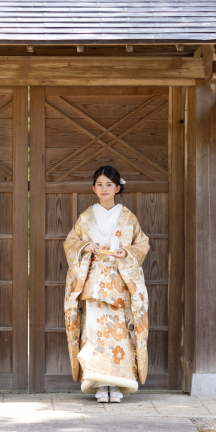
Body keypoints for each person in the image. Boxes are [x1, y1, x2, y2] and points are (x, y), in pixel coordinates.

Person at [63, 166, 150, 403]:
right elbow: (70, 242)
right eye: (100, 185)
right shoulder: (86, 217)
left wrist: (127, 252)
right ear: (93, 188)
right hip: (93, 283)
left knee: (119, 334)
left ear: (117, 188)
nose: (104, 189)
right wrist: (84, 247)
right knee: (94, 332)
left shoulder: (128, 217)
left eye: (109, 185)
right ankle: (100, 385)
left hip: (120, 282)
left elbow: (142, 244)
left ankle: (118, 384)